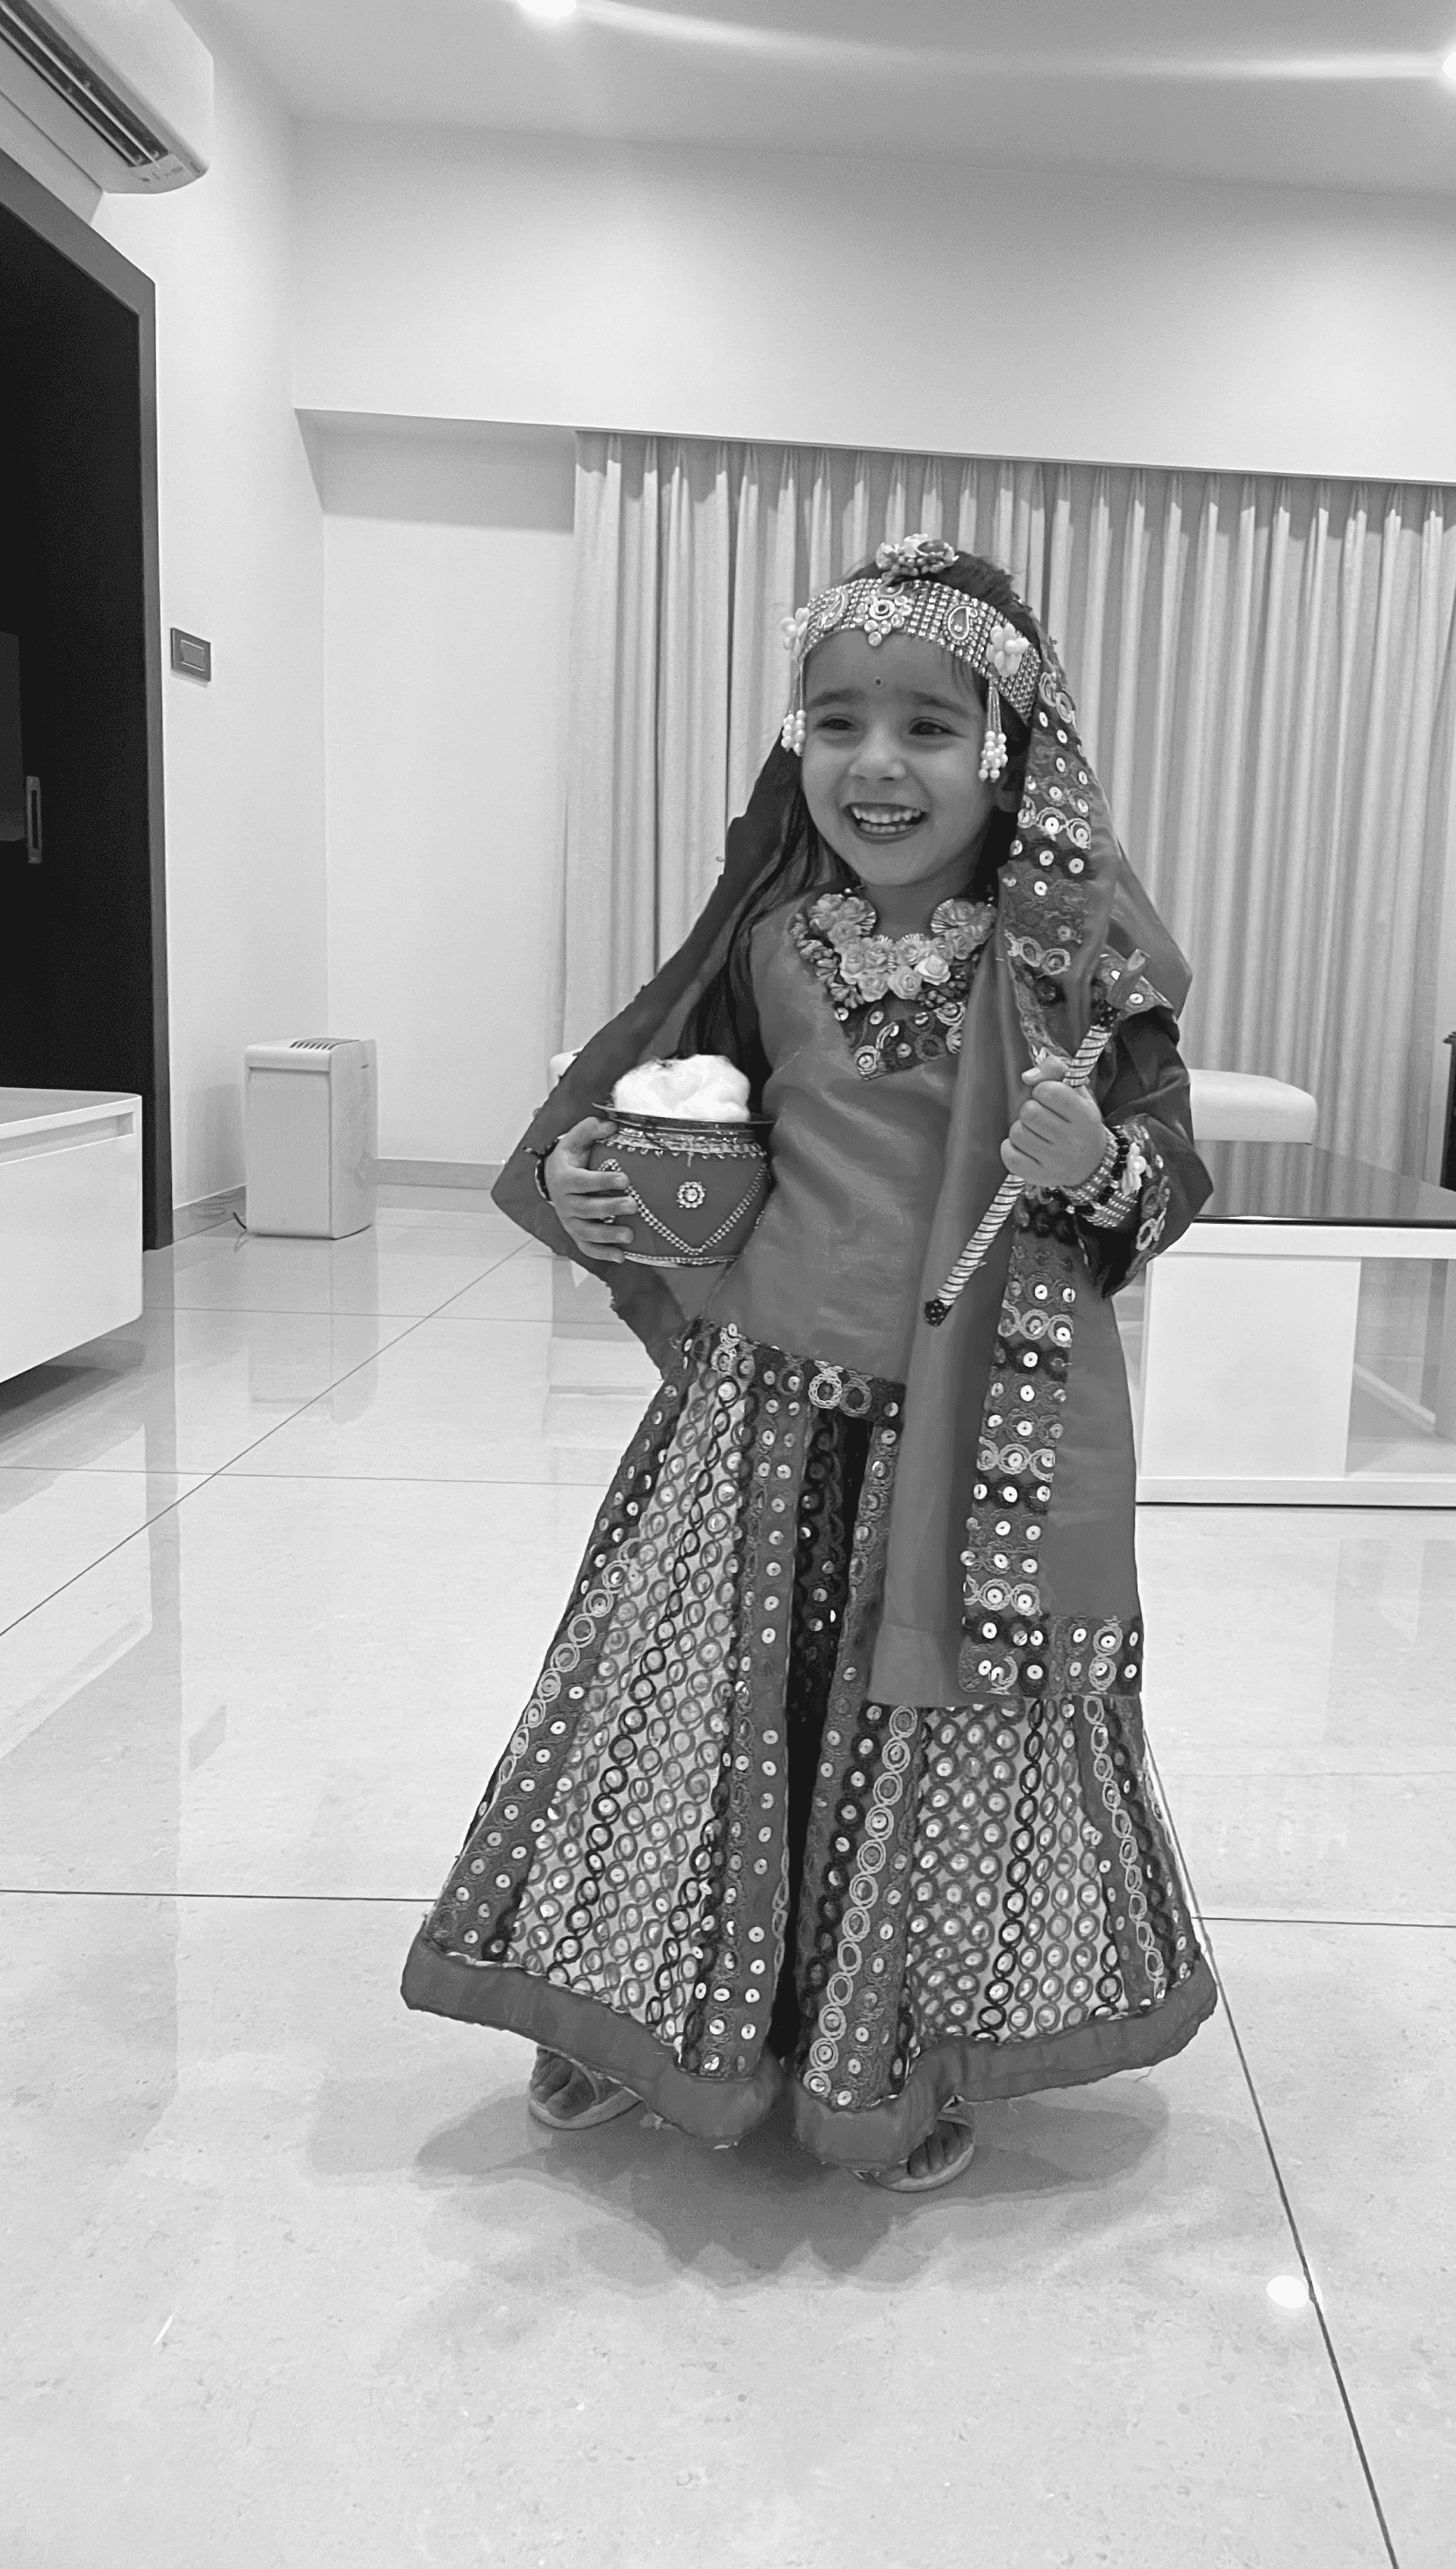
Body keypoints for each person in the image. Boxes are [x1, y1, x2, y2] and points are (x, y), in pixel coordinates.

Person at [402, 534, 1217, 2193]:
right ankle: (637, 2008)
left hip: (961, 1443)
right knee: (690, 1714)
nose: (876, 764)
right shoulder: (773, 937)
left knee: (934, 1742)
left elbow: (1167, 1171)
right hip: (756, 1422)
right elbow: (668, 1119)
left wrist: (1098, 1168)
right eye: (837, 720)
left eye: (928, 725)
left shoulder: (1069, 967)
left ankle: (904, 2039)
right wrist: (594, 1179)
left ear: (1009, 752)